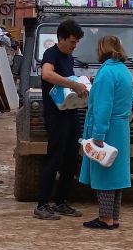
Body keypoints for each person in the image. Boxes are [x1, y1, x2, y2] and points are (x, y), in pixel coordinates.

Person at [79, 33, 133, 230]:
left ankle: (105, 218)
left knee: (104, 172)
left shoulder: (106, 73)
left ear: (101, 49)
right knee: (116, 174)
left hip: (108, 128)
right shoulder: (125, 71)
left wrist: (98, 136)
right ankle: (114, 216)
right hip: (121, 128)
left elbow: (103, 106)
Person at [35, 19, 91, 220]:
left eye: (76, 43)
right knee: (55, 157)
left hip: (70, 113)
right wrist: (72, 84)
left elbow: (70, 84)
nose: (74, 46)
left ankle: (60, 202)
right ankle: (42, 204)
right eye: (72, 42)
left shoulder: (69, 58)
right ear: (61, 38)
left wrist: (82, 85)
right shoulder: (51, 54)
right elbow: (47, 74)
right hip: (56, 115)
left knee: (70, 158)